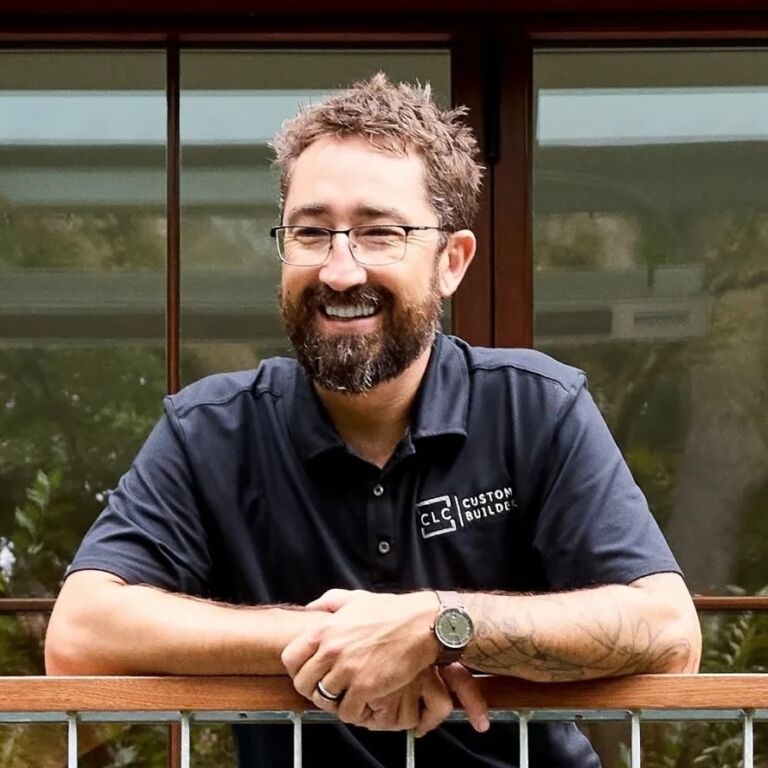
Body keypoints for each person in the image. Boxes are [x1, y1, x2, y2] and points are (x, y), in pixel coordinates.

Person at [45, 73, 701, 767]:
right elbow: (80, 633)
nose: (338, 270)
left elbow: (668, 631)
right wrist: (344, 640)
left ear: (451, 261)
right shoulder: (210, 429)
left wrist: (440, 625)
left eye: (379, 232)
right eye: (311, 231)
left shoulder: (536, 406)